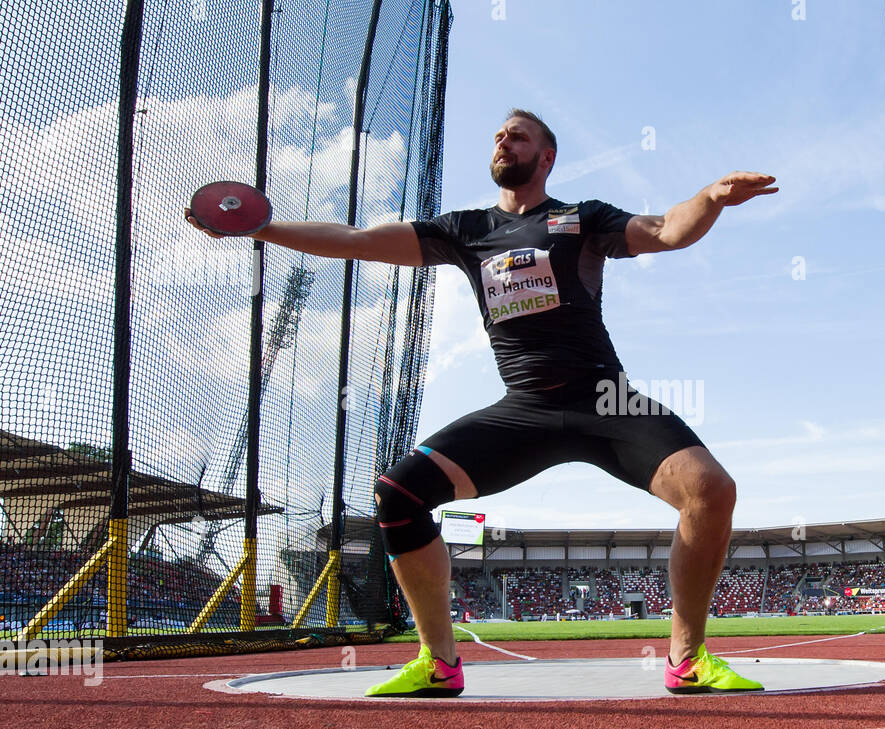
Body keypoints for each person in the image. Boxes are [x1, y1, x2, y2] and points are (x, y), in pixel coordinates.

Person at [185, 109, 777, 696]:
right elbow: (358, 241)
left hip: (603, 398)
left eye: (517, 136)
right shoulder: (464, 230)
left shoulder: (582, 217)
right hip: (523, 409)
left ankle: (686, 657)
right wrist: (261, 229)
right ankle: (439, 662)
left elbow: (668, 229)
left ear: (546, 158)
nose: (503, 141)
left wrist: (711, 196)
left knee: (711, 490)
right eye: (498, 134)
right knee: (399, 493)